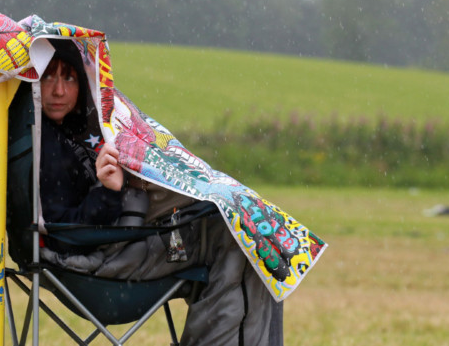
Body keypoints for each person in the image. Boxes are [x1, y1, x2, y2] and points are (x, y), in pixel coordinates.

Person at [38, 47, 283, 346]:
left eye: (70, 78)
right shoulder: (45, 144)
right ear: (32, 81)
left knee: (253, 231)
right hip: (98, 260)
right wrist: (109, 192)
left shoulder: (68, 130)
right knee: (247, 240)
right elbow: (64, 234)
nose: (59, 89)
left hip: (124, 239)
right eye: (47, 76)